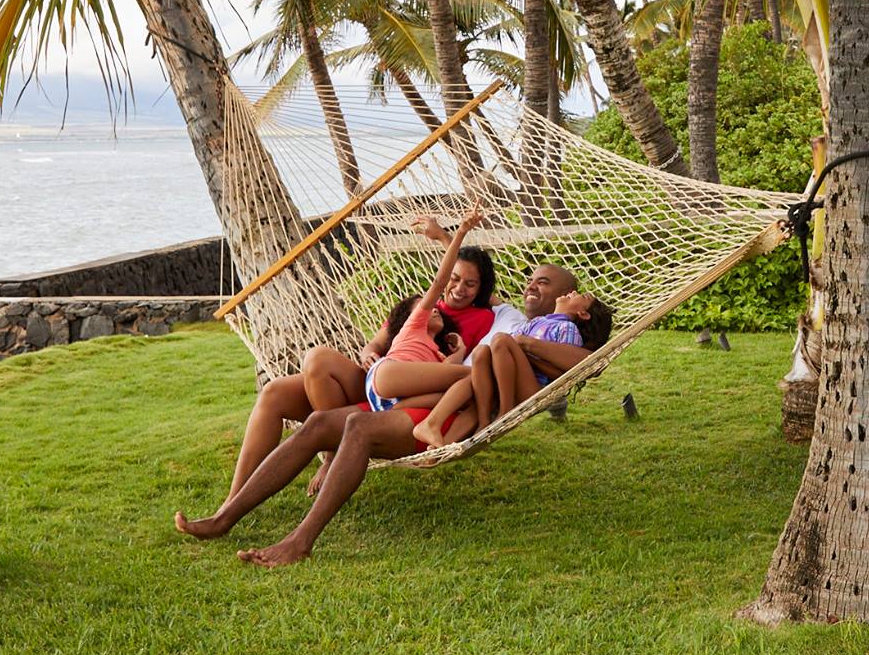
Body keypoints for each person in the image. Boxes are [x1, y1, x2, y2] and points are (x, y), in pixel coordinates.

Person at [172, 253, 598, 568]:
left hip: (453, 402)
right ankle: (224, 518)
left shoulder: (522, 323)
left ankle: (300, 541)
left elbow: (583, 358)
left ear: (568, 298)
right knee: (320, 421)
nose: (531, 285)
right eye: (531, 279)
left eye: (543, 283)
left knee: (358, 426)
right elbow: (451, 283)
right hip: (418, 385)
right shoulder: (516, 319)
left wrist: (521, 343)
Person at [215, 228, 500, 499]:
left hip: (413, 391)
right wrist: (367, 354)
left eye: (470, 284)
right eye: (454, 279)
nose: (459, 288)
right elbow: (377, 343)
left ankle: (330, 450)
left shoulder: (481, 317)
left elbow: (458, 360)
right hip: (380, 378)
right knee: (283, 385)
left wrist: (446, 237)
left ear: (480, 289)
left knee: (455, 375)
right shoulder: (418, 306)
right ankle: (235, 496)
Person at [410, 291, 613, 449]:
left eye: (582, 296)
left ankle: (505, 412)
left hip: (533, 389)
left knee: (500, 339)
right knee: (481, 352)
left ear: (583, 313)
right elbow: (510, 348)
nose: (573, 293)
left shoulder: (568, 329)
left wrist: (528, 357)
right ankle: (444, 444)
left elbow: (562, 375)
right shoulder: (537, 322)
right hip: (504, 382)